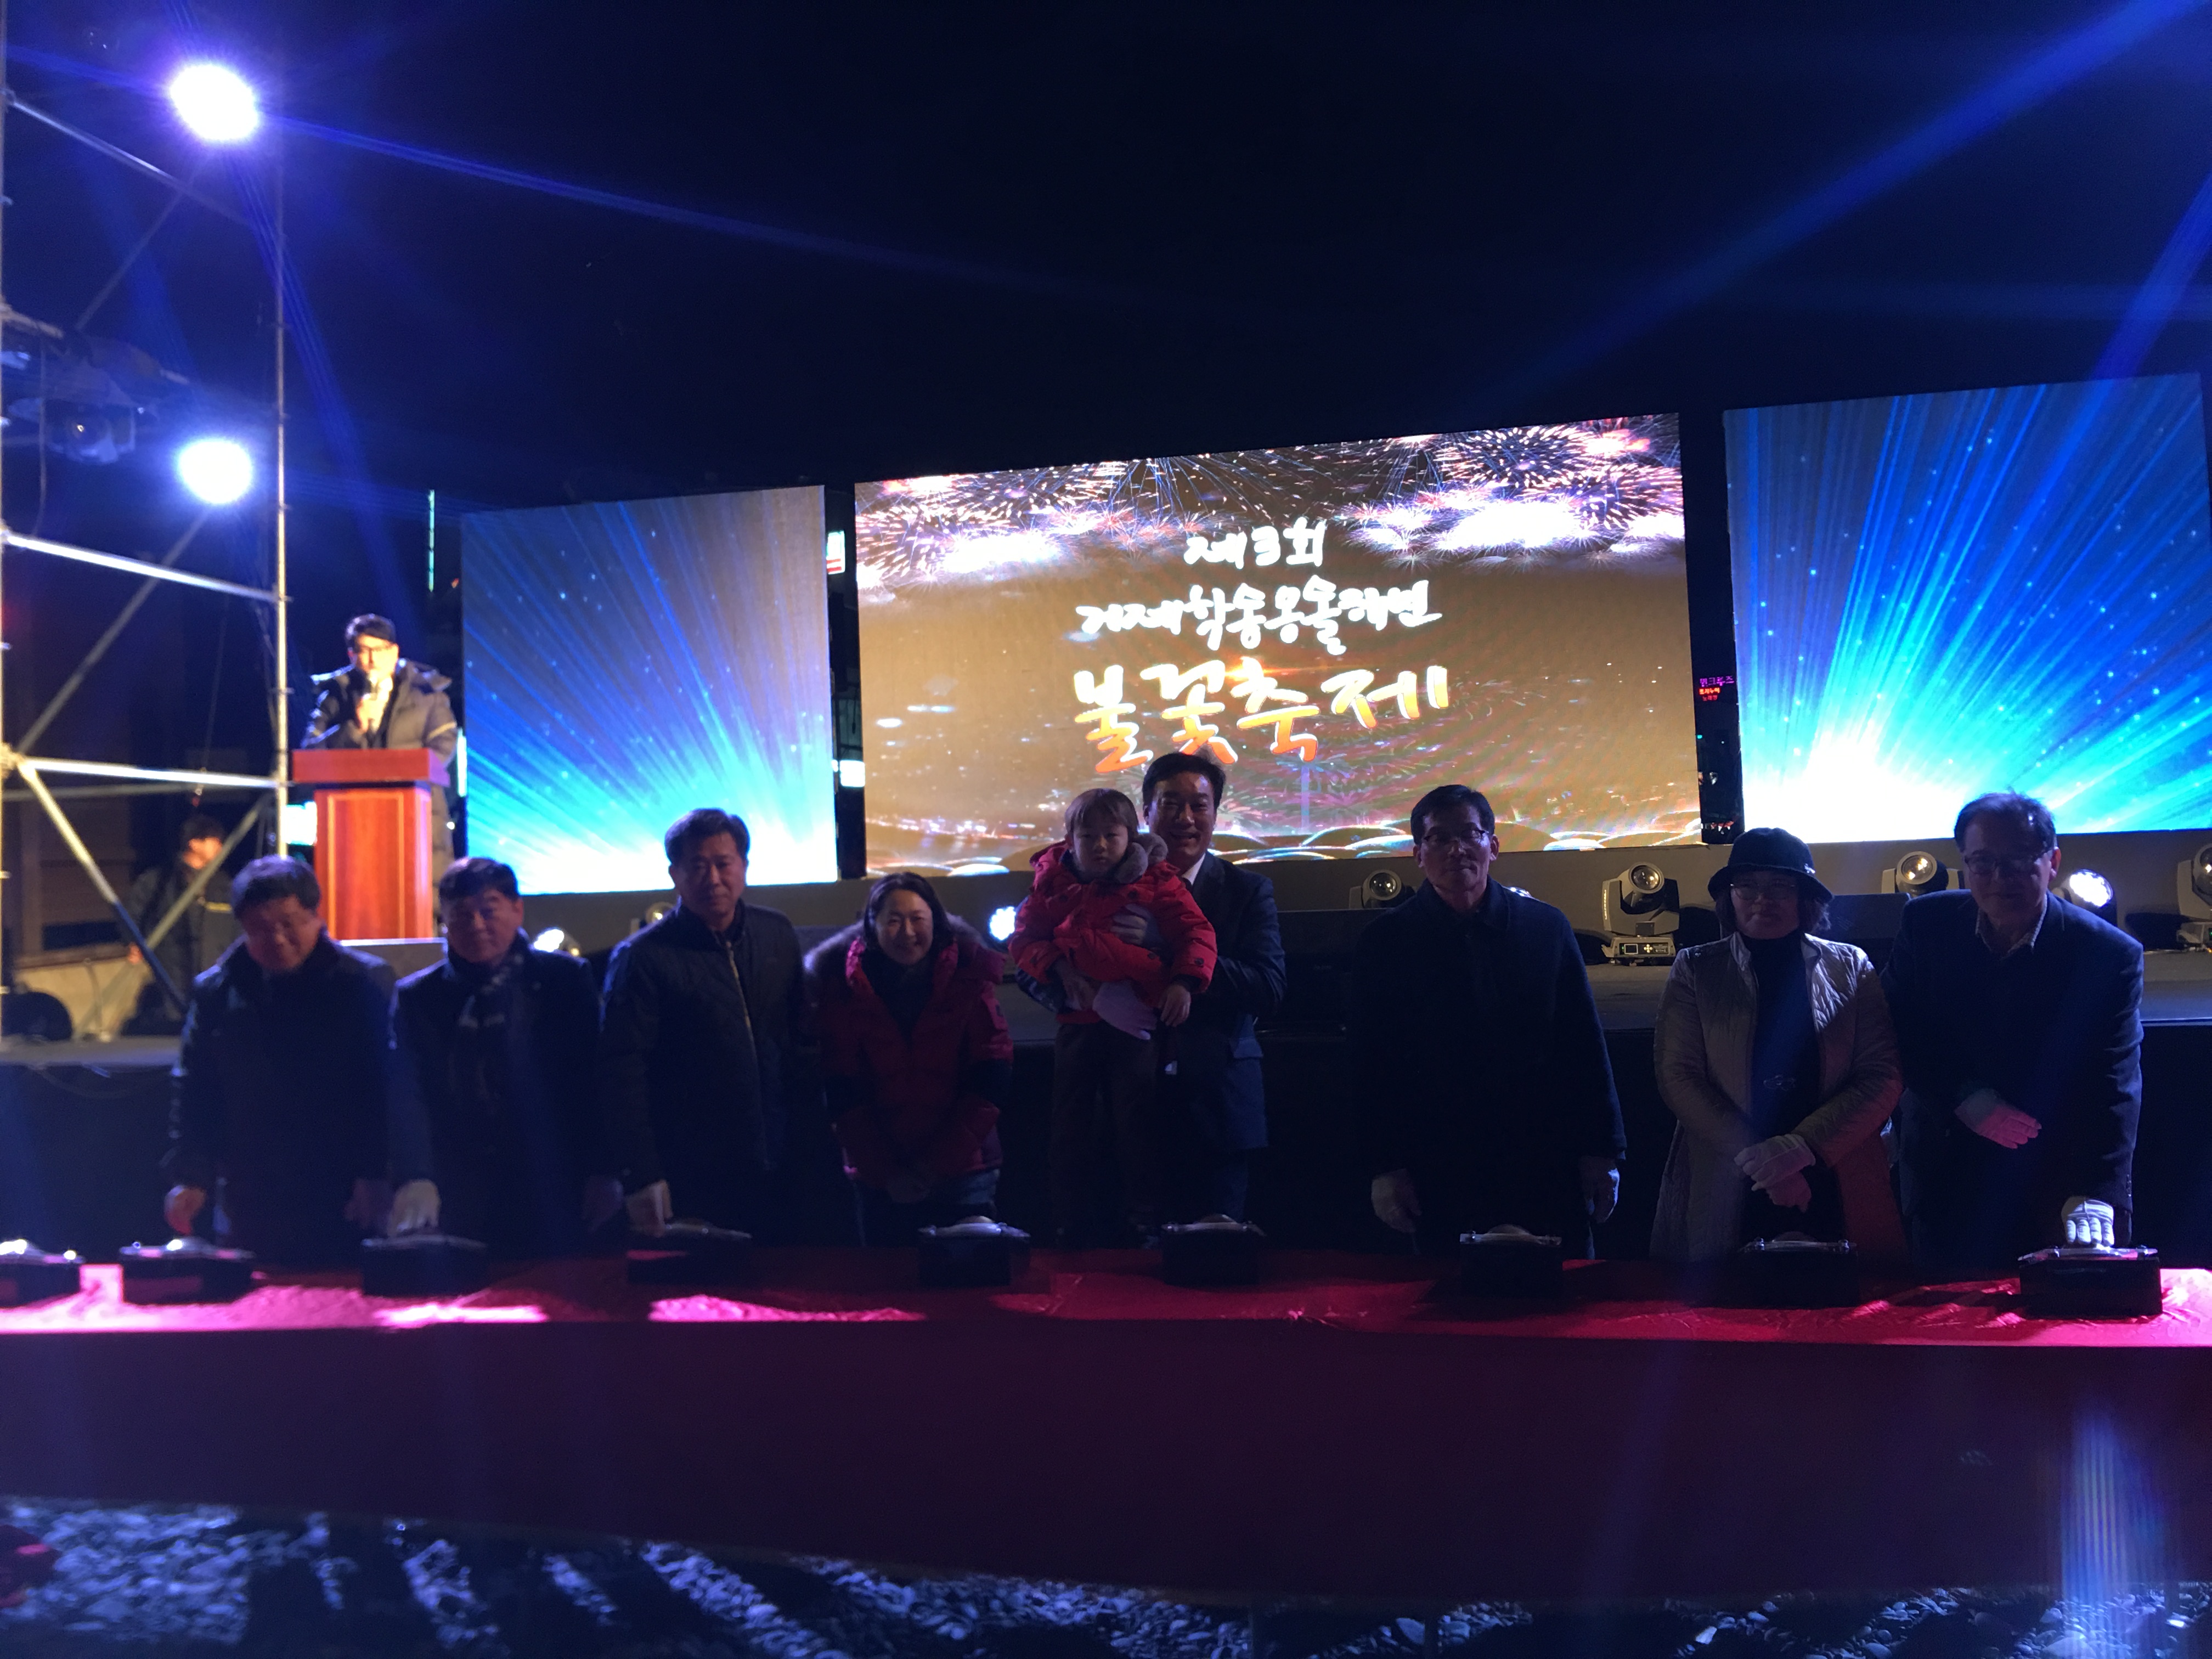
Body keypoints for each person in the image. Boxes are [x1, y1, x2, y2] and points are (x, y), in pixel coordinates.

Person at [1351, 785, 1624, 1257]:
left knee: (1563, 1292)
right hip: (1437, 1161)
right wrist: (1384, 1167)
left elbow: (1582, 1045)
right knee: (1450, 1294)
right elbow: (1371, 1066)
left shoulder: (1546, 928)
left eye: (1469, 835)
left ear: (1493, 846)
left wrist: (1603, 1151)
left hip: (1544, 1154)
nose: (1456, 849)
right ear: (1417, 854)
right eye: (1439, 838)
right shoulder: (1385, 942)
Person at [1883, 792, 2144, 1274]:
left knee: (2071, 1315)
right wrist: (1965, 1096)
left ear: (2053, 861)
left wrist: (2096, 1191)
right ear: (1964, 864)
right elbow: (1900, 1030)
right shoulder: (1926, 925)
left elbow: (2114, 1081)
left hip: (2058, 1176)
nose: (2000, 878)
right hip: (1946, 1169)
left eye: (2020, 860)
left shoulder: (2108, 955)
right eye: (1983, 862)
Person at [1650, 828, 1905, 1263]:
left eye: (1780, 886)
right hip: (1731, 1174)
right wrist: (1767, 1164)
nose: (1761, 899)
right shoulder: (1695, 969)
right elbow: (1678, 1076)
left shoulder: (1851, 966)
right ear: (1729, 896)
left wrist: (1802, 1149)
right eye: (1746, 886)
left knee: (1847, 1296)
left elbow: (1882, 1075)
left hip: (1836, 1167)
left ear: (1805, 897)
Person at [599, 808, 827, 1239]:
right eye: (697, 866)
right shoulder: (642, 958)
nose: (713, 878)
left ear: (744, 866)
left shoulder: (776, 933)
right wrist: (641, 1173)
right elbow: (622, 1072)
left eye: (724, 863)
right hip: (695, 1172)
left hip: (786, 1161)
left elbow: (801, 1042)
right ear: (675, 874)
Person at [1008, 786, 1218, 1245]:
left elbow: (1196, 933)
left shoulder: (1158, 880)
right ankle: (1067, 1221)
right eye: (1088, 836)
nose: (1100, 846)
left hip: (1137, 1023)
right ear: (1070, 840)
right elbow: (1023, 939)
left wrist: (1184, 982)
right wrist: (1061, 971)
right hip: (1077, 1024)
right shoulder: (1051, 883)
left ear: (1131, 837)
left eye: (1111, 835)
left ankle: (1145, 1218)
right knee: (1070, 1124)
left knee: (1138, 1120)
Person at [162, 856, 397, 1263]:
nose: (277, 940)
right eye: (260, 929)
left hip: (344, 1189)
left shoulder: (362, 982)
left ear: (316, 917)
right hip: (252, 1191)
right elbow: (195, 1087)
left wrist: (375, 1171)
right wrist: (192, 1176)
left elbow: (385, 1087)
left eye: (290, 924)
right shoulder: (217, 991)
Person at [388, 857, 618, 1255]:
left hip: (558, 1178)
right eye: (461, 915)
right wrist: (416, 1175)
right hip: (463, 1188)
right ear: (444, 922)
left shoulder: (565, 980)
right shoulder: (418, 997)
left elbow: (594, 1080)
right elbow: (407, 1094)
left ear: (517, 909)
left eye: (488, 911)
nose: (476, 925)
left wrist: (604, 1168)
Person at [1113, 752, 1284, 1222]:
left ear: (1215, 813)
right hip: (1124, 1105)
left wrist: (1170, 949)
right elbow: (1043, 965)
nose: (1185, 819)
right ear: (1146, 811)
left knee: (1217, 1251)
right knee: (1126, 1259)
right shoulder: (1108, 885)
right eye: (1171, 804)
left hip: (1220, 1107)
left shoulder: (1247, 890)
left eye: (1199, 806)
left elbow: (1268, 987)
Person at [807, 873, 1014, 1244]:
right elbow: (842, 1089)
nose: (907, 932)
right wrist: (888, 1173)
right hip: (880, 1180)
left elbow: (990, 1078)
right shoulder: (842, 989)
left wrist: (933, 1167)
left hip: (964, 1174)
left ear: (936, 921)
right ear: (871, 927)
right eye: (893, 920)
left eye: (917, 919)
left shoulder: (970, 976)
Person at [301, 613, 459, 870]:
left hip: (417, 817)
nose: (373, 659)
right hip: (353, 822)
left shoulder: (427, 692)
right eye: (364, 651)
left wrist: (400, 773)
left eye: (380, 650)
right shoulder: (335, 695)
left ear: (394, 652)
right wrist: (353, 728)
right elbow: (310, 754)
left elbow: (444, 744)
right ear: (352, 655)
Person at [122, 812, 239, 1035]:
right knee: (175, 1024)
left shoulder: (223, 884)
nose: (220, 846)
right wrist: (133, 942)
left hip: (215, 967)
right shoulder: (159, 881)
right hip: (172, 967)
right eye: (214, 840)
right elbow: (132, 912)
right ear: (194, 843)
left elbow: (237, 924)